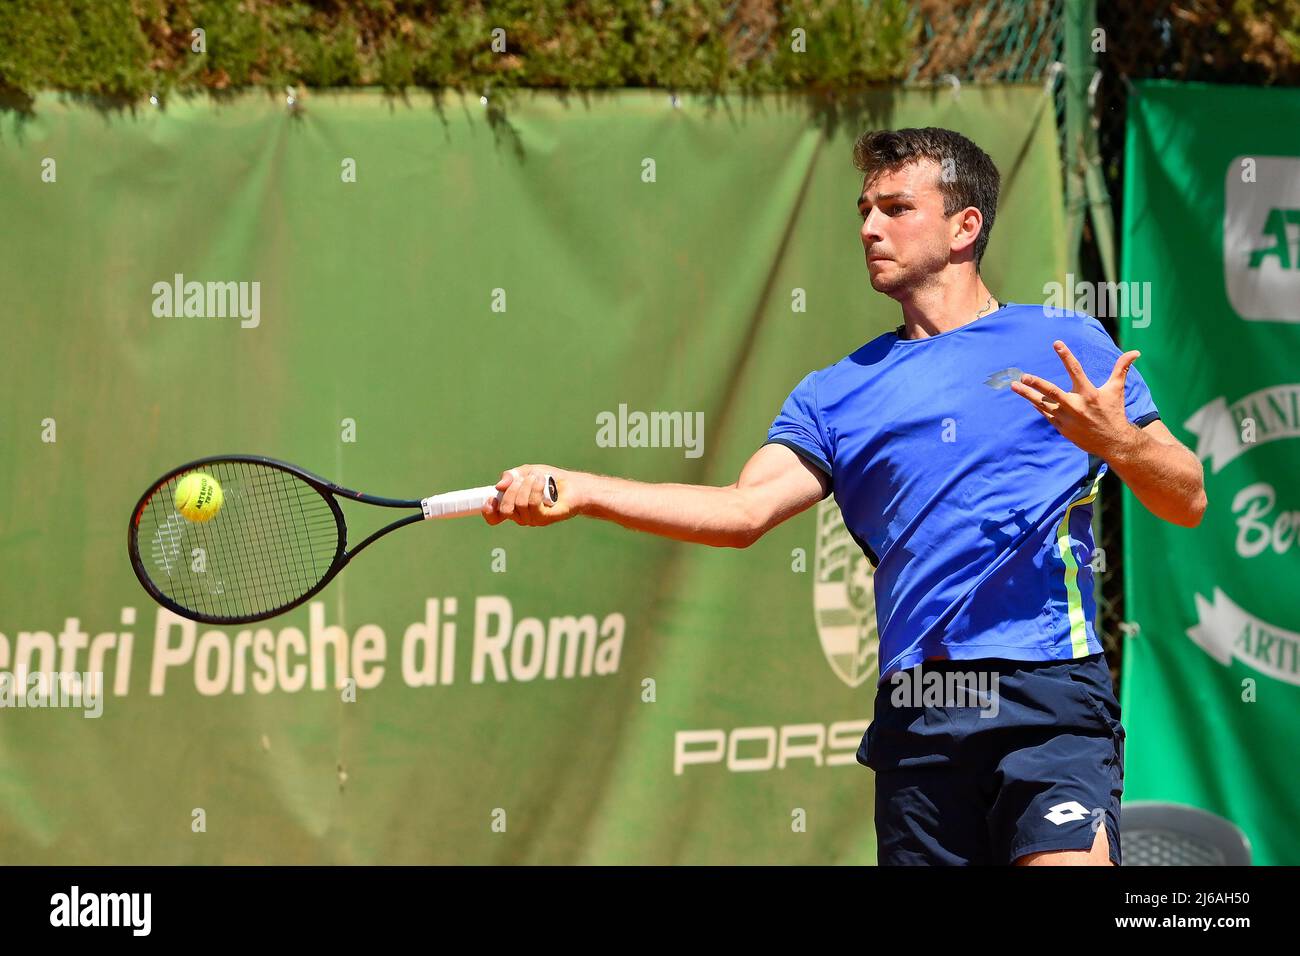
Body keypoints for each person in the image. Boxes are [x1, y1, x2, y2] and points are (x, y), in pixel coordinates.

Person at [482, 127, 1206, 866]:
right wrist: (583, 488)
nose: (867, 226)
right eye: (863, 208)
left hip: (1047, 696)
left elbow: (1187, 499)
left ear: (966, 226)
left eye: (895, 207)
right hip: (919, 713)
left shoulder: (1064, 343)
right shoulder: (835, 394)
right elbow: (742, 513)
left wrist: (1122, 443)